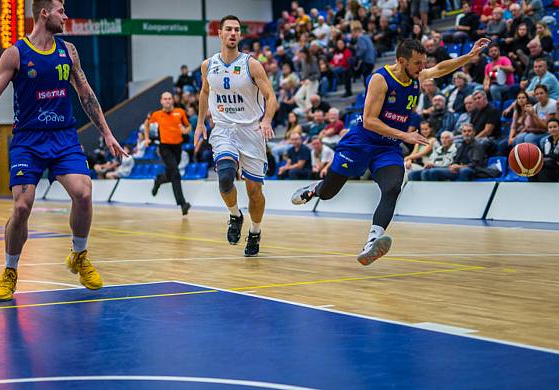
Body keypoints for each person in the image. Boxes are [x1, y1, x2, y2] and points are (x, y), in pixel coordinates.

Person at [291, 37, 490, 265]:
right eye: (417, 63)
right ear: (401, 61)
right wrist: (405, 135)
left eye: (423, 62)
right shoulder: (380, 79)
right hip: (361, 142)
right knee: (328, 193)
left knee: (393, 187)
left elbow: (440, 69)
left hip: (387, 147)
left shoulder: (418, 76)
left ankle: (372, 241)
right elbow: (369, 121)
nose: (422, 67)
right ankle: (315, 188)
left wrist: (469, 56)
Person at [0, 0, 124, 301]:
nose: (65, 18)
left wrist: (107, 133)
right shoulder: (16, 53)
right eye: (61, 13)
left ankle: (79, 255)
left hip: (64, 137)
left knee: (84, 193)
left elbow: (86, 93)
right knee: (22, 207)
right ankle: (10, 270)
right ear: (43, 15)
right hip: (28, 140)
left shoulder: (69, 51)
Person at [195, 15, 278, 257]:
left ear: (240, 35)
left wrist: (267, 119)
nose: (233, 33)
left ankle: (255, 231)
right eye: (228, 29)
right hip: (223, 129)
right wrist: (200, 122)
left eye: (237, 30)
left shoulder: (252, 65)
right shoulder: (207, 65)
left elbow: (271, 97)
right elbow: (204, 92)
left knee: (254, 191)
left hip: (251, 131)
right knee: (225, 177)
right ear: (219, 33)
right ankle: (234, 215)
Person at [145, 91, 191, 215]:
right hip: (164, 147)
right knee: (175, 172)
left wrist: (185, 131)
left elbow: (188, 127)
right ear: (161, 101)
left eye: (170, 98)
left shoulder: (180, 112)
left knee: (171, 175)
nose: (168, 101)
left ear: (173, 100)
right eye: (165, 99)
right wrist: (147, 138)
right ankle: (182, 203)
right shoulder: (157, 114)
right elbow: (146, 124)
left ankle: (159, 180)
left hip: (178, 147)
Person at [417, 123, 497, 181]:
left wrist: (459, 167)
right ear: (462, 133)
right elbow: (455, 160)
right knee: (425, 172)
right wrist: (453, 165)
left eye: (469, 131)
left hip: (471, 170)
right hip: (457, 169)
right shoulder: (461, 145)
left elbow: (475, 165)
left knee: (433, 173)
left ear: (474, 133)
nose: (467, 133)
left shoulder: (478, 145)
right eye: (464, 131)